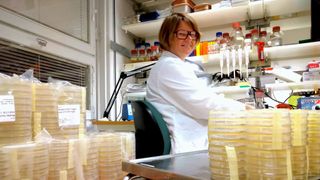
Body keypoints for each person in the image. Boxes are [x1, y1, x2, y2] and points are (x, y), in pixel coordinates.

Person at [146, 13, 246, 154]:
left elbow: (202, 99)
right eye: (182, 34)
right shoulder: (169, 66)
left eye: (193, 35)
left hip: (191, 143)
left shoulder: (173, 64)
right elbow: (203, 105)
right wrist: (243, 108)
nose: (190, 39)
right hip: (186, 149)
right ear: (167, 35)